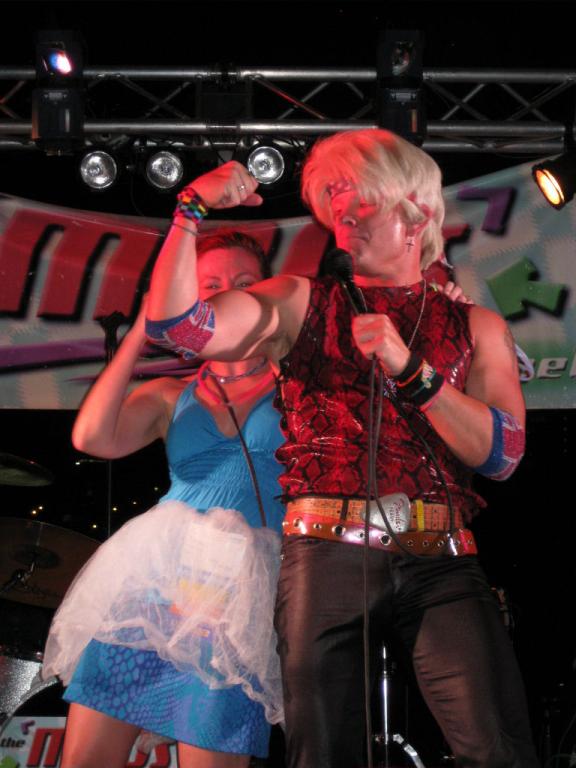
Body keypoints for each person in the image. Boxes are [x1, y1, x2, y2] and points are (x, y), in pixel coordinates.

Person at [145, 128, 539, 768]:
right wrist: (190, 209)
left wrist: (412, 372)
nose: (342, 212)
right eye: (332, 201)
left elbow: (503, 454)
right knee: (323, 751)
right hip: (325, 554)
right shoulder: (300, 299)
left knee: (498, 745)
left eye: (357, 195)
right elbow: (181, 328)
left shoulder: (474, 324)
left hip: (439, 556)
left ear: (416, 210)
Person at [41, 229, 286, 768]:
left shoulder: (300, 390)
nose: (229, 292)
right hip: (151, 595)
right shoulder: (171, 396)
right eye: (211, 285)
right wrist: (141, 333)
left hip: (235, 605)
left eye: (245, 282)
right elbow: (91, 437)